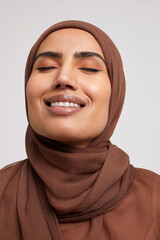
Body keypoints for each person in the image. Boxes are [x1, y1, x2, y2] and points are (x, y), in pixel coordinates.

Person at [0, 20, 159, 240]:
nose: (64, 78)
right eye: (46, 67)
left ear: (116, 93)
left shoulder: (155, 198)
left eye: (89, 68)